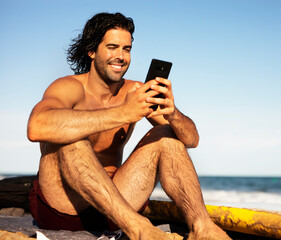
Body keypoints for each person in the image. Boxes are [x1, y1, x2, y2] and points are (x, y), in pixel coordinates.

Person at [27, 12, 231, 240]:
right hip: (65, 207)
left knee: (166, 135)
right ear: (92, 51)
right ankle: (139, 228)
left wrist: (173, 113)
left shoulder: (135, 91)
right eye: (112, 47)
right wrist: (123, 112)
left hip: (117, 208)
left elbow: (192, 140)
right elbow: (36, 126)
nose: (121, 56)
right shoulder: (69, 87)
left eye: (126, 49)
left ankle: (202, 227)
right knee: (70, 136)